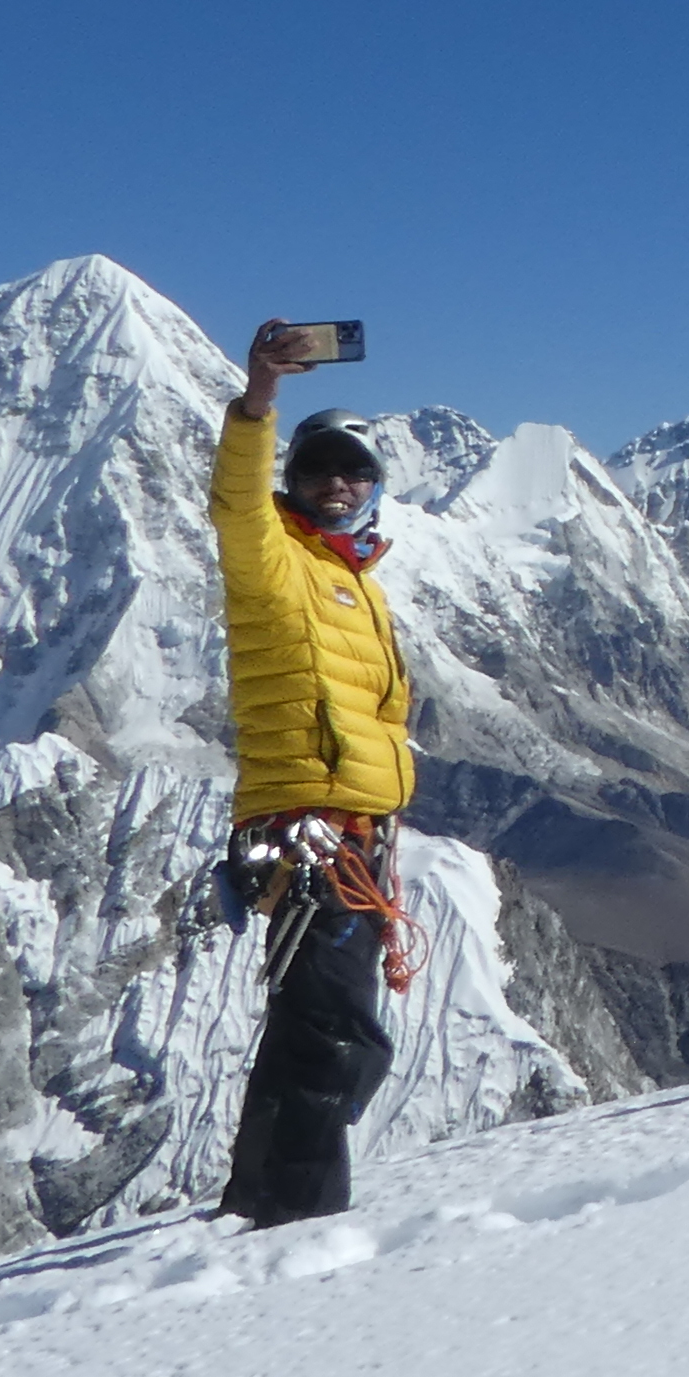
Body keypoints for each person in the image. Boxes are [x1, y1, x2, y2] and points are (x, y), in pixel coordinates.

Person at [208, 319, 420, 1225]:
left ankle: (258, 1204)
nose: (338, 484)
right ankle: (296, 1223)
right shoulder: (275, 562)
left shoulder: (359, 580)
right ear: (292, 479)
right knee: (340, 1039)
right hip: (311, 833)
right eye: (320, 468)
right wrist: (260, 400)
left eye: (356, 471)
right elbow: (235, 505)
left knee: (311, 1030)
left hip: (354, 838)